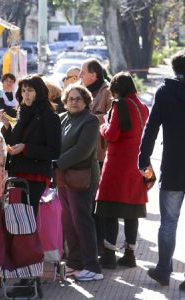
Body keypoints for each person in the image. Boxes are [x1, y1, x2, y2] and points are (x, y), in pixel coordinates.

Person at [138, 49, 185, 289]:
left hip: (174, 165)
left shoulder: (165, 92)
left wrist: (143, 158)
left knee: (168, 221)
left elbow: (151, 128)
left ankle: (164, 270)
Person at [95, 72, 149, 269]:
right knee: (131, 213)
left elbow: (113, 134)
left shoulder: (121, 105)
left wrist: (102, 124)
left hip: (118, 165)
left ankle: (109, 256)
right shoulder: (142, 106)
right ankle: (130, 255)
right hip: (136, 164)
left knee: (110, 210)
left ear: (118, 89)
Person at [55, 84, 103, 281]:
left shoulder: (90, 121)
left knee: (82, 221)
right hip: (63, 177)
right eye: (71, 98)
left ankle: (93, 267)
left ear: (86, 101)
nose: (74, 101)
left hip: (82, 178)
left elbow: (83, 150)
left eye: (78, 98)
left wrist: (56, 163)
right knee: (68, 221)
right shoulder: (62, 118)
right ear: (65, 102)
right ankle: (75, 262)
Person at [0, 74, 62, 216]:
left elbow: (54, 151)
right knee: (19, 217)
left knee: (28, 217)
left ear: (39, 92)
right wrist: (7, 126)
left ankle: (32, 239)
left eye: (30, 91)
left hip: (36, 175)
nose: (26, 95)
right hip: (18, 172)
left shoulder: (50, 116)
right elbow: (15, 142)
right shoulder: (23, 112)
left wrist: (26, 148)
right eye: (23, 91)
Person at [79, 58, 112, 253]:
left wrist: (91, 118)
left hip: (100, 155)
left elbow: (112, 119)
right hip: (84, 154)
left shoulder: (107, 92)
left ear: (95, 75)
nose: (80, 76)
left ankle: (102, 245)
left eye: (83, 72)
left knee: (98, 203)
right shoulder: (81, 92)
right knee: (86, 203)